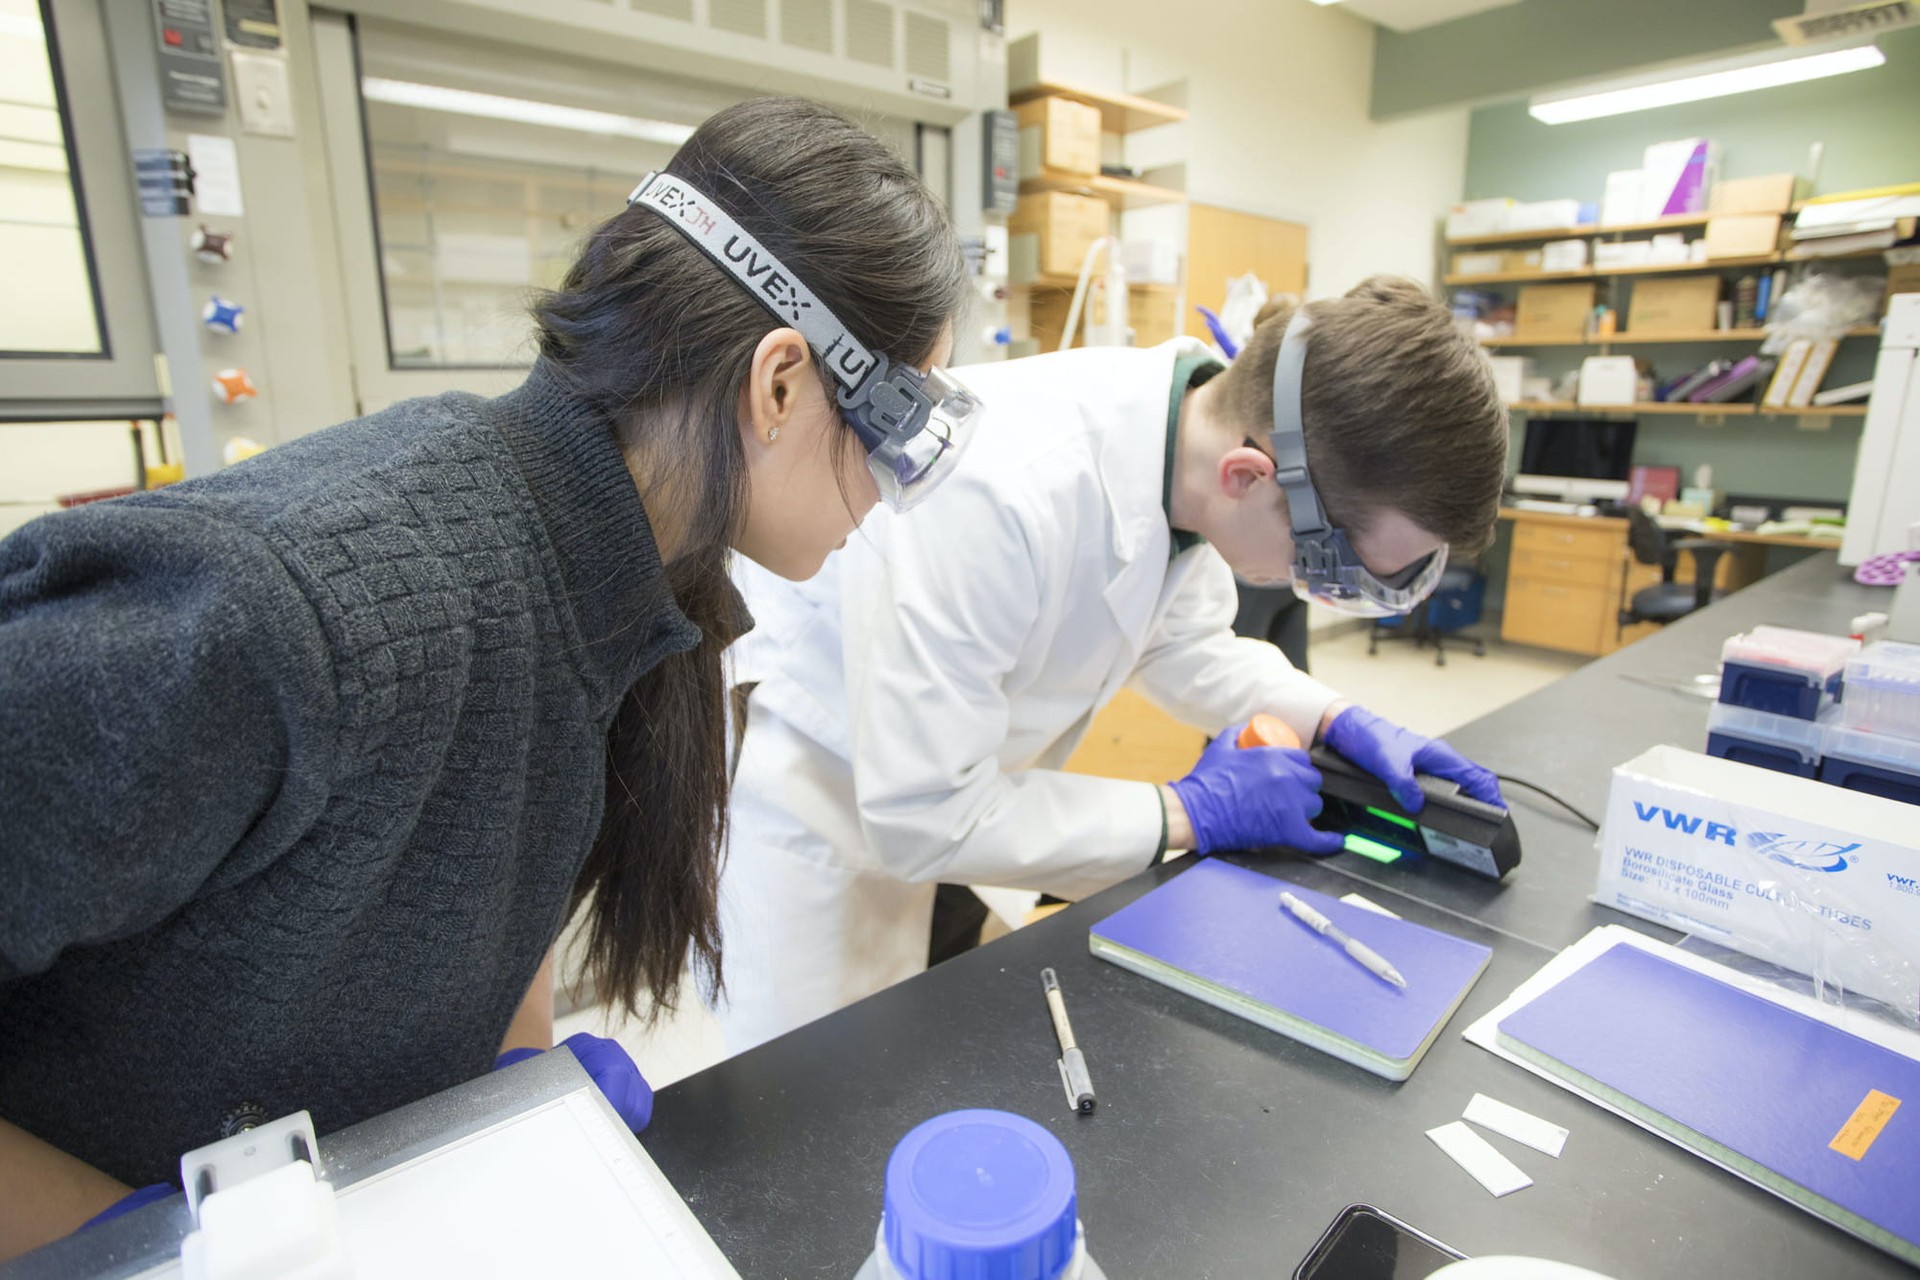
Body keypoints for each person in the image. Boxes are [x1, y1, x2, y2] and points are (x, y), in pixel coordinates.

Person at [0, 96, 974, 1261]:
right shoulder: (292, 613)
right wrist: (125, 1239)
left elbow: (494, 850)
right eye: (900, 423)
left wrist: (509, 1078)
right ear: (778, 385)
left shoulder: (620, 576)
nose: (894, 488)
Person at [717, 276, 1510, 1052]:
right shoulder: (998, 489)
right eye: (1328, 566)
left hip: (966, 802)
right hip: (832, 807)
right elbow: (923, 816)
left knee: (934, 1051)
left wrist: (1338, 719)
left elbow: (1185, 645)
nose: (1313, 590)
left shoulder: (1188, 447)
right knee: (813, 1099)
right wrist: (1189, 810)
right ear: (1249, 477)